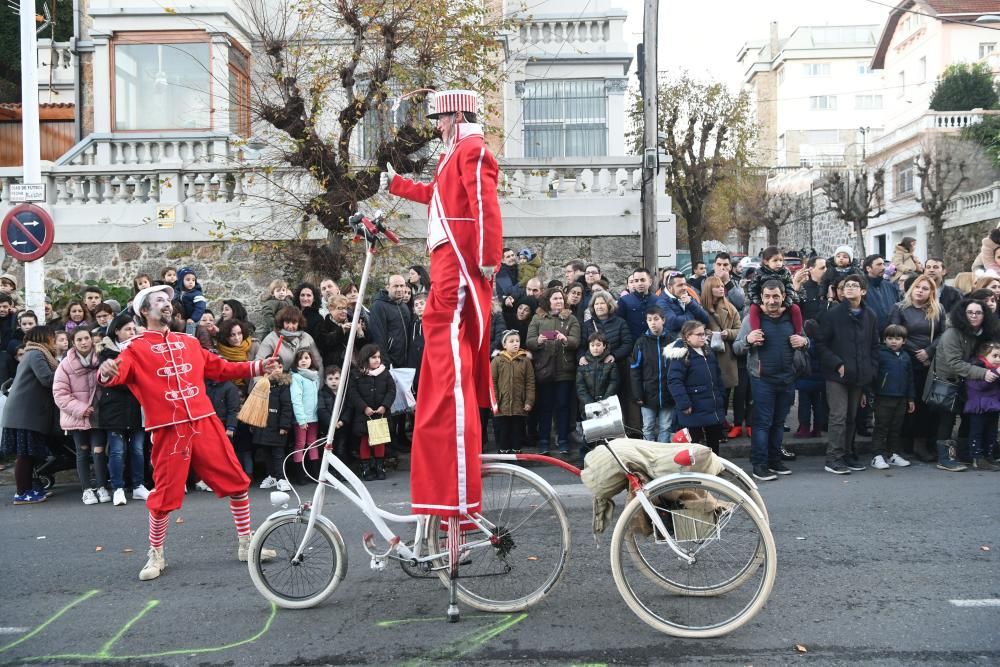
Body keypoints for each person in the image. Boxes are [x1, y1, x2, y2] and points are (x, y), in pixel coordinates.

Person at [97, 284, 281, 581]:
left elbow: (219, 368)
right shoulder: (134, 348)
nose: (167, 304)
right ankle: (156, 553)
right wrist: (106, 371)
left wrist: (258, 365)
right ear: (145, 311)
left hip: (205, 421)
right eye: (159, 301)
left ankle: (247, 543)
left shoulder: (189, 341)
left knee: (236, 480)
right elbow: (116, 373)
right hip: (168, 428)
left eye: (168, 300)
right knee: (165, 494)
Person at [380, 89, 502, 517]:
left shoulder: (472, 148)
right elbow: (436, 194)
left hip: (458, 258)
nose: (435, 126)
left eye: (439, 118)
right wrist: (395, 185)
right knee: (437, 328)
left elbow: (484, 203)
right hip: (445, 256)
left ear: (456, 114)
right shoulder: (453, 153)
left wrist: (488, 256)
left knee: (445, 329)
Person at [733, 280, 809, 481]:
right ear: (762, 297)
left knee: (778, 422)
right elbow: (737, 347)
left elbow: (805, 339)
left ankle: (775, 460)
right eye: (767, 296)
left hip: (787, 378)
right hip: (762, 380)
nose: (771, 300)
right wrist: (748, 341)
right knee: (762, 423)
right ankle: (760, 464)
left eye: (776, 296)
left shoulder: (792, 317)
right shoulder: (751, 319)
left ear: (783, 296)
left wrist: (804, 342)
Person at [925, 299, 1000, 472]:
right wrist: (983, 373)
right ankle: (945, 458)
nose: (974, 316)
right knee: (947, 420)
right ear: (962, 314)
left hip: (968, 382)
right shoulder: (952, 333)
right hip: (948, 381)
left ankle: (966, 454)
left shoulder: (982, 332)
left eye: (978, 312)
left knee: (969, 418)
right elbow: (954, 363)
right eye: (970, 312)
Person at [816, 274, 880, 475]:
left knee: (852, 417)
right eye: (846, 286)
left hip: (860, 375)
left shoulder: (870, 315)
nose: (850, 288)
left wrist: (871, 369)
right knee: (839, 416)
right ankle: (833, 458)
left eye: (855, 285)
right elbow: (820, 344)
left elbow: (874, 346)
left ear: (863, 291)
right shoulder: (832, 314)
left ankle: (847, 453)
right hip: (837, 375)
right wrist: (837, 364)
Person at [888, 275, 946, 462]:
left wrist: (929, 351)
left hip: (930, 362)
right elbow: (895, 333)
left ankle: (922, 444)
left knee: (927, 404)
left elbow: (943, 334)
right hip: (907, 360)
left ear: (931, 292)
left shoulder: (937, 309)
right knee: (908, 405)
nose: (920, 290)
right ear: (911, 288)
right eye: (917, 287)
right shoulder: (900, 308)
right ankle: (902, 444)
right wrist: (917, 352)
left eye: (925, 288)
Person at [0, 326, 59, 504]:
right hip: (24, 414)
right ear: (44, 337)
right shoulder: (36, 354)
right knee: (24, 455)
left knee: (28, 454)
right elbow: (47, 379)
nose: (54, 341)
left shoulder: (32, 354)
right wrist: (65, 369)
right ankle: (22, 492)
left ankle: (28, 488)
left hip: (26, 412)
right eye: (52, 337)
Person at [96, 312, 148, 505]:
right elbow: (113, 380)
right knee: (117, 450)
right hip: (114, 408)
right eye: (127, 329)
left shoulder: (139, 350)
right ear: (117, 331)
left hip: (137, 406)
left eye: (134, 329)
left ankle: (138, 486)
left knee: (137, 449)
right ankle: (118, 487)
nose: (131, 332)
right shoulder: (106, 352)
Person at [53, 328, 109, 505]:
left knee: (99, 452)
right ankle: (86, 489)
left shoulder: (101, 359)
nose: (84, 342)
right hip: (78, 416)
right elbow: (60, 393)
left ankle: (101, 486)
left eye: (86, 338)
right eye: (79, 340)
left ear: (92, 340)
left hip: (98, 415)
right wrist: (80, 409)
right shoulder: (65, 365)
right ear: (73, 342)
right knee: (82, 452)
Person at [525, 287, 581, 454]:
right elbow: (529, 341)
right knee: (545, 406)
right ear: (548, 300)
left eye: (561, 299)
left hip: (565, 370)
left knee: (563, 406)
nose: (559, 301)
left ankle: (563, 440)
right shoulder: (537, 318)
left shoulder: (571, 318)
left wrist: (566, 340)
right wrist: (539, 341)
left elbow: (576, 341)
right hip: (544, 369)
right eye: (555, 298)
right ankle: (544, 440)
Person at [665, 321, 725, 454]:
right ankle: (693, 473)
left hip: (711, 406)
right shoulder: (681, 354)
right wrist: (684, 404)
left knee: (713, 443)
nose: (703, 337)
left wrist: (721, 395)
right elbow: (674, 381)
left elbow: (717, 375)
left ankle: (713, 468)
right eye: (698, 334)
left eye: (704, 334)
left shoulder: (708, 351)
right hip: (693, 408)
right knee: (693, 444)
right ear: (687, 336)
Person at [700, 276, 742, 437]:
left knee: (724, 392)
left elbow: (740, 329)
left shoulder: (730, 308)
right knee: (710, 393)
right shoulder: (701, 309)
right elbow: (695, 328)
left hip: (726, 356)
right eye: (716, 287)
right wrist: (707, 334)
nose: (721, 289)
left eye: (721, 286)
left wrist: (728, 333)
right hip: (708, 355)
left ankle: (720, 425)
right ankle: (711, 427)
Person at [870, 324, 915, 470]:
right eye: (890, 338)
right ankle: (877, 456)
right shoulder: (880, 354)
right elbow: (873, 375)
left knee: (896, 428)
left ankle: (893, 454)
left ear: (904, 341)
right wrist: (869, 393)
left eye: (897, 338)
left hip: (901, 398)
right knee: (881, 427)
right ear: (884, 340)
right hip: (883, 397)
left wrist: (910, 398)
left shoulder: (906, 356)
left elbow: (910, 379)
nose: (893, 342)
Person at [349, 344, 396, 481]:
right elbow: (353, 393)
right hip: (364, 414)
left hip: (380, 413)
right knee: (365, 440)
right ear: (365, 358)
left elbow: (391, 391)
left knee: (379, 440)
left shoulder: (385, 373)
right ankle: (366, 467)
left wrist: (385, 406)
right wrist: (364, 407)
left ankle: (379, 466)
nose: (377, 360)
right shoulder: (356, 374)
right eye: (373, 357)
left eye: (378, 357)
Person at [629, 306, 674, 443]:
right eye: (649, 320)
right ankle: (649, 456)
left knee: (665, 427)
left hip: (667, 393)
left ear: (663, 320)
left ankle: (662, 456)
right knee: (648, 427)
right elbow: (635, 370)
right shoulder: (641, 342)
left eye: (656, 319)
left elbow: (677, 369)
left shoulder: (672, 341)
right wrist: (638, 394)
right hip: (647, 393)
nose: (653, 323)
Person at [491, 330, 535, 455]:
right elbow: (492, 382)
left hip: (519, 404)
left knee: (517, 430)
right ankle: (504, 454)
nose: (515, 344)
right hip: (501, 404)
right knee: (503, 431)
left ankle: (516, 454)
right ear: (504, 345)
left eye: (517, 341)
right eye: (511, 341)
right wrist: (495, 401)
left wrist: (529, 401)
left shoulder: (525, 361)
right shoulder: (497, 361)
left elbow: (530, 383)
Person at [253, 364, 293, 491]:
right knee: (266, 453)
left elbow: (287, 407)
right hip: (262, 425)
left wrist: (284, 425)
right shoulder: (260, 384)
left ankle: (282, 478)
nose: (276, 370)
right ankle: (272, 477)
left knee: (278, 454)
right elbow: (254, 404)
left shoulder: (284, 386)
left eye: (280, 367)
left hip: (277, 426)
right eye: (272, 367)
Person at [746, 246, 803, 335]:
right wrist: (760, 305)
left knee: (796, 309)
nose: (779, 263)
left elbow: (790, 291)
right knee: (753, 309)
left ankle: (798, 333)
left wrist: (784, 307)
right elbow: (752, 291)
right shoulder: (759, 272)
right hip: (763, 301)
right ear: (766, 261)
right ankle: (756, 333)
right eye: (775, 260)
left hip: (782, 301)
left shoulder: (785, 272)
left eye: (781, 260)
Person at [962, 341, 1000, 470]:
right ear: (984, 355)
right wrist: (996, 372)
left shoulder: (995, 369)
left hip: (993, 407)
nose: (998, 359)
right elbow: (980, 386)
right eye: (995, 356)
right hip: (979, 407)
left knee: (991, 433)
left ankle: (988, 456)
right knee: (977, 433)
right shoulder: (977, 367)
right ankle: (977, 458)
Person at [255, 306, 323, 373]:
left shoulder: (307, 338)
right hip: (279, 379)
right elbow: (259, 362)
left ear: (299, 323)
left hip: (304, 380)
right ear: (282, 322)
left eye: (294, 323)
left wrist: (318, 382)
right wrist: (260, 383)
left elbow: (318, 362)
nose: (290, 327)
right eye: (287, 322)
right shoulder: (271, 338)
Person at [367, 274, 412, 370]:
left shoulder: (404, 306)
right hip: (389, 362)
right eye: (396, 286)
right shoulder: (378, 306)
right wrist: (385, 362)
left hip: (404, 361)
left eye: (402, 285)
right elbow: (378, 336)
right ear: (387, 287)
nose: (400, 289)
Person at [289, 348, 321, 482]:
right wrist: (301, 419)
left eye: (306, 358)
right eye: (300, 358)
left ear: (311, 360)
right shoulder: (296, 377)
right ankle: (300, 475)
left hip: (314, 417)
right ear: (296, 362)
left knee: (312, 443)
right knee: (300, 444)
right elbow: (296, 399)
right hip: (301, 419)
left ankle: (315, 473)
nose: (303, 361)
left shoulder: (314, 376)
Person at [661, 272, 710, 339]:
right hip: (675, 343)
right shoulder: (661, 301)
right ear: (670, 287)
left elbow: (705, 319)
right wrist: (692, 315)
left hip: (693, 340)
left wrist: (690, 304)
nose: (684, 288)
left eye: (685, 284)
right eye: (680, 285)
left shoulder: (687, 297)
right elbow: (673, 323)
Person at [862, 254, 900, 333]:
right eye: (879, 265)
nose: (883, 267)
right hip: (869, 334)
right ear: (868, 268)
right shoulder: (860, 287)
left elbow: (897, 308)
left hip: (891, 335)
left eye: (883, 264)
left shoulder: (890, 286)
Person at [175, 268, 207, 335]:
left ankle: (190, 339)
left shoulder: (196, 293)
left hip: (193, 318)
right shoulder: (179, 292)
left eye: (193, 280)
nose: (191, 282)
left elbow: (200, 307)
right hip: (184, 317)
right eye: (188, 279)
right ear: (181, 281)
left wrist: (193, 318)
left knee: (190, 326)